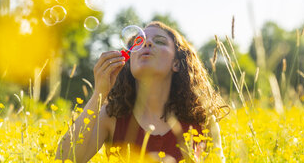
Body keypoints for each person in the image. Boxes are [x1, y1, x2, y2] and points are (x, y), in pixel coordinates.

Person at [56, 21, 229, 163]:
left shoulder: (202, 121)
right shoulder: (111, 116)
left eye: (159, 41)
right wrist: (99, 94)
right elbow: (64, 160)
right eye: (138, 41)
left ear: (176, 63)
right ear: (129, 60)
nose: (147, 42)